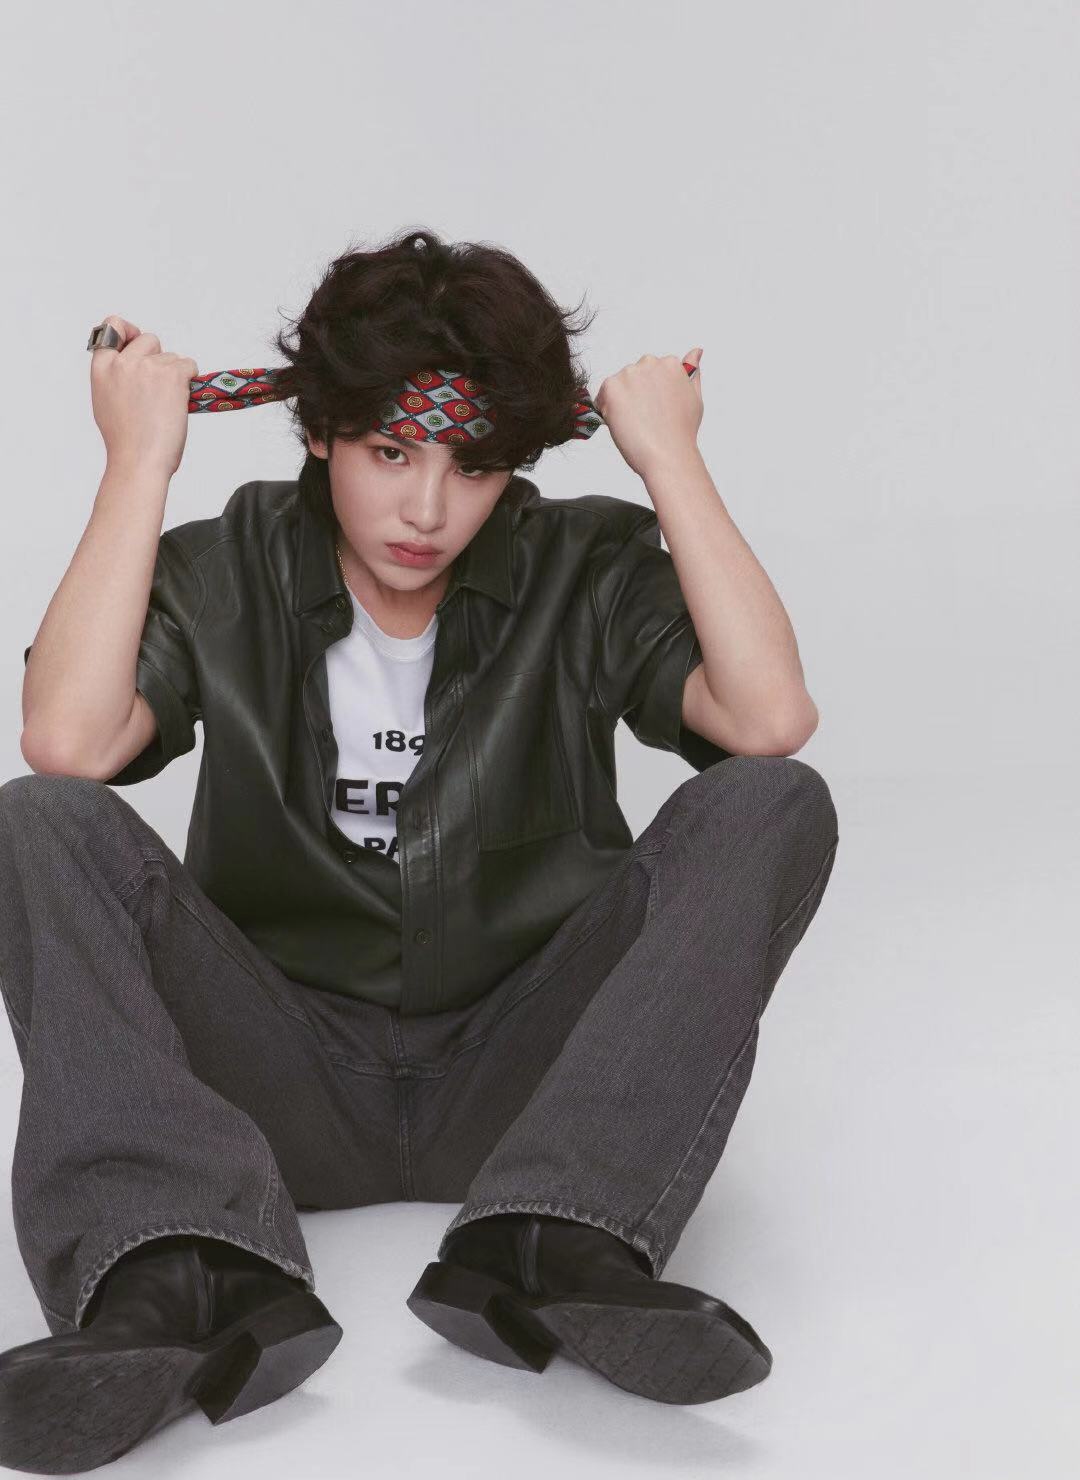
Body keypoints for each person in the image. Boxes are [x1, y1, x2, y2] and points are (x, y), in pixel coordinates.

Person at [0, 228, 838, 1472]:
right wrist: (138, 463)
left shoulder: (582, 562)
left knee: (773, 800)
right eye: (391, 452)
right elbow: (68, 741)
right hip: (279, 1078)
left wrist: (671, 458)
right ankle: (183, 1269)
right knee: (39, 819)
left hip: (525, 1077)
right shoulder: (229, 565)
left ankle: (551, 1234)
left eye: (473, 465)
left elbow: (766, 720)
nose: (428, 509)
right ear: (320, 434)